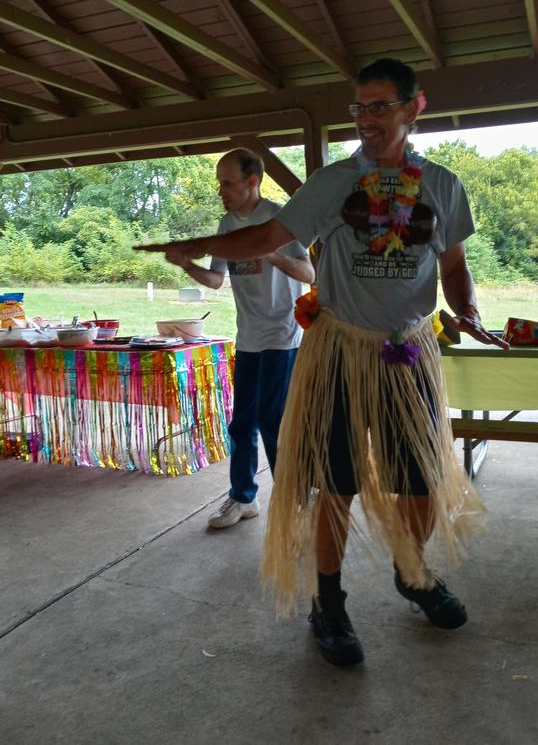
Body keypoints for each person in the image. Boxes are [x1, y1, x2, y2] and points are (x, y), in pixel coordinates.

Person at [135, 59, 508, 667]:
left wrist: (466, 309)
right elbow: (266, 237)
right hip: (339, 352)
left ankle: (412, 574)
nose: (366, 119)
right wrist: (200, 245)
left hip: (408, 353)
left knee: (419, 484)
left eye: (379, 106)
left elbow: (454, 265)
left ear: (413, 108)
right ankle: (328, 605)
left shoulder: (442, 186)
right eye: (359, 108)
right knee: (334, 484)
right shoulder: (334, 183)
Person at [167, 148, 315, 529]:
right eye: (220, 183)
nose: (222, 191)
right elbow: (217, 279)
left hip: (283, 335)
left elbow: (309, 274)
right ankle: (243, 497)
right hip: (248, 337)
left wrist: (272, 254)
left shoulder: (280, 219)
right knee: (242, 422)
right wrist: (188, 265)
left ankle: (295, 496)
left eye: (228, 183)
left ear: (253, 181)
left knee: (273, 419)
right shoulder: (227, 225)